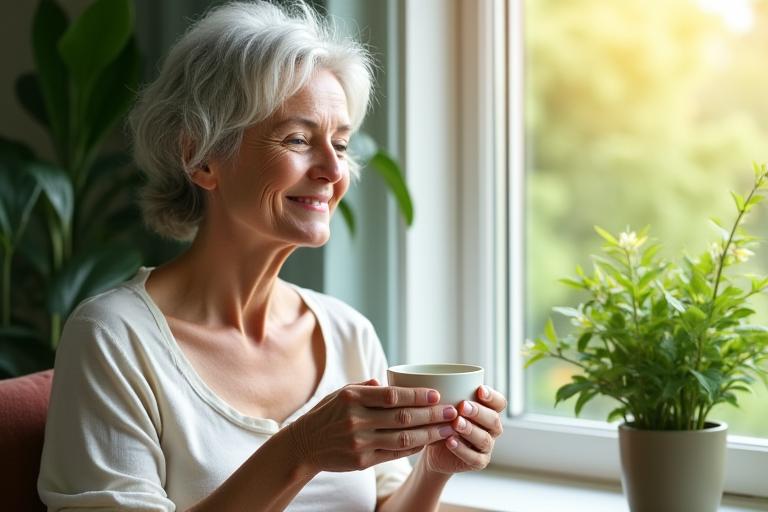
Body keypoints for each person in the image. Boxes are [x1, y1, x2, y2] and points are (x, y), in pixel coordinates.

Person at [37, 1, 507, 510]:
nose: (332, 170)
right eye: (299, 139)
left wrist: (434, 471)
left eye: (342, 144)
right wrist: (299, 450)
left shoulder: (348, 333)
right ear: (201, 157)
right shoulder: (114, 338)